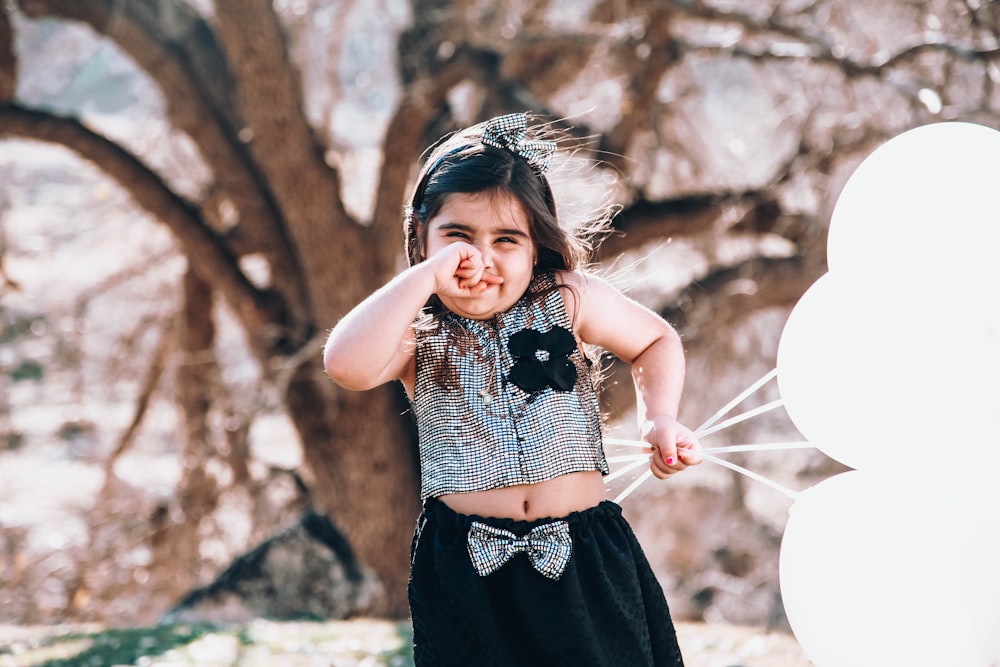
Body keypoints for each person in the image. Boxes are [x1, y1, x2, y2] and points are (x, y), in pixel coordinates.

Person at [324, 112, 701, 666]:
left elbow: (655, 341)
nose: (481, 256)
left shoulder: (566, 298)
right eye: (457, 236)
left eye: (507, 239)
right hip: (468, 568)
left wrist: (659, 419)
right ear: (422, 238)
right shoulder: (419, 331)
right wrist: (425, 279)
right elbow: (344, 364)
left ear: (535, 247)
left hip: (583, 555)